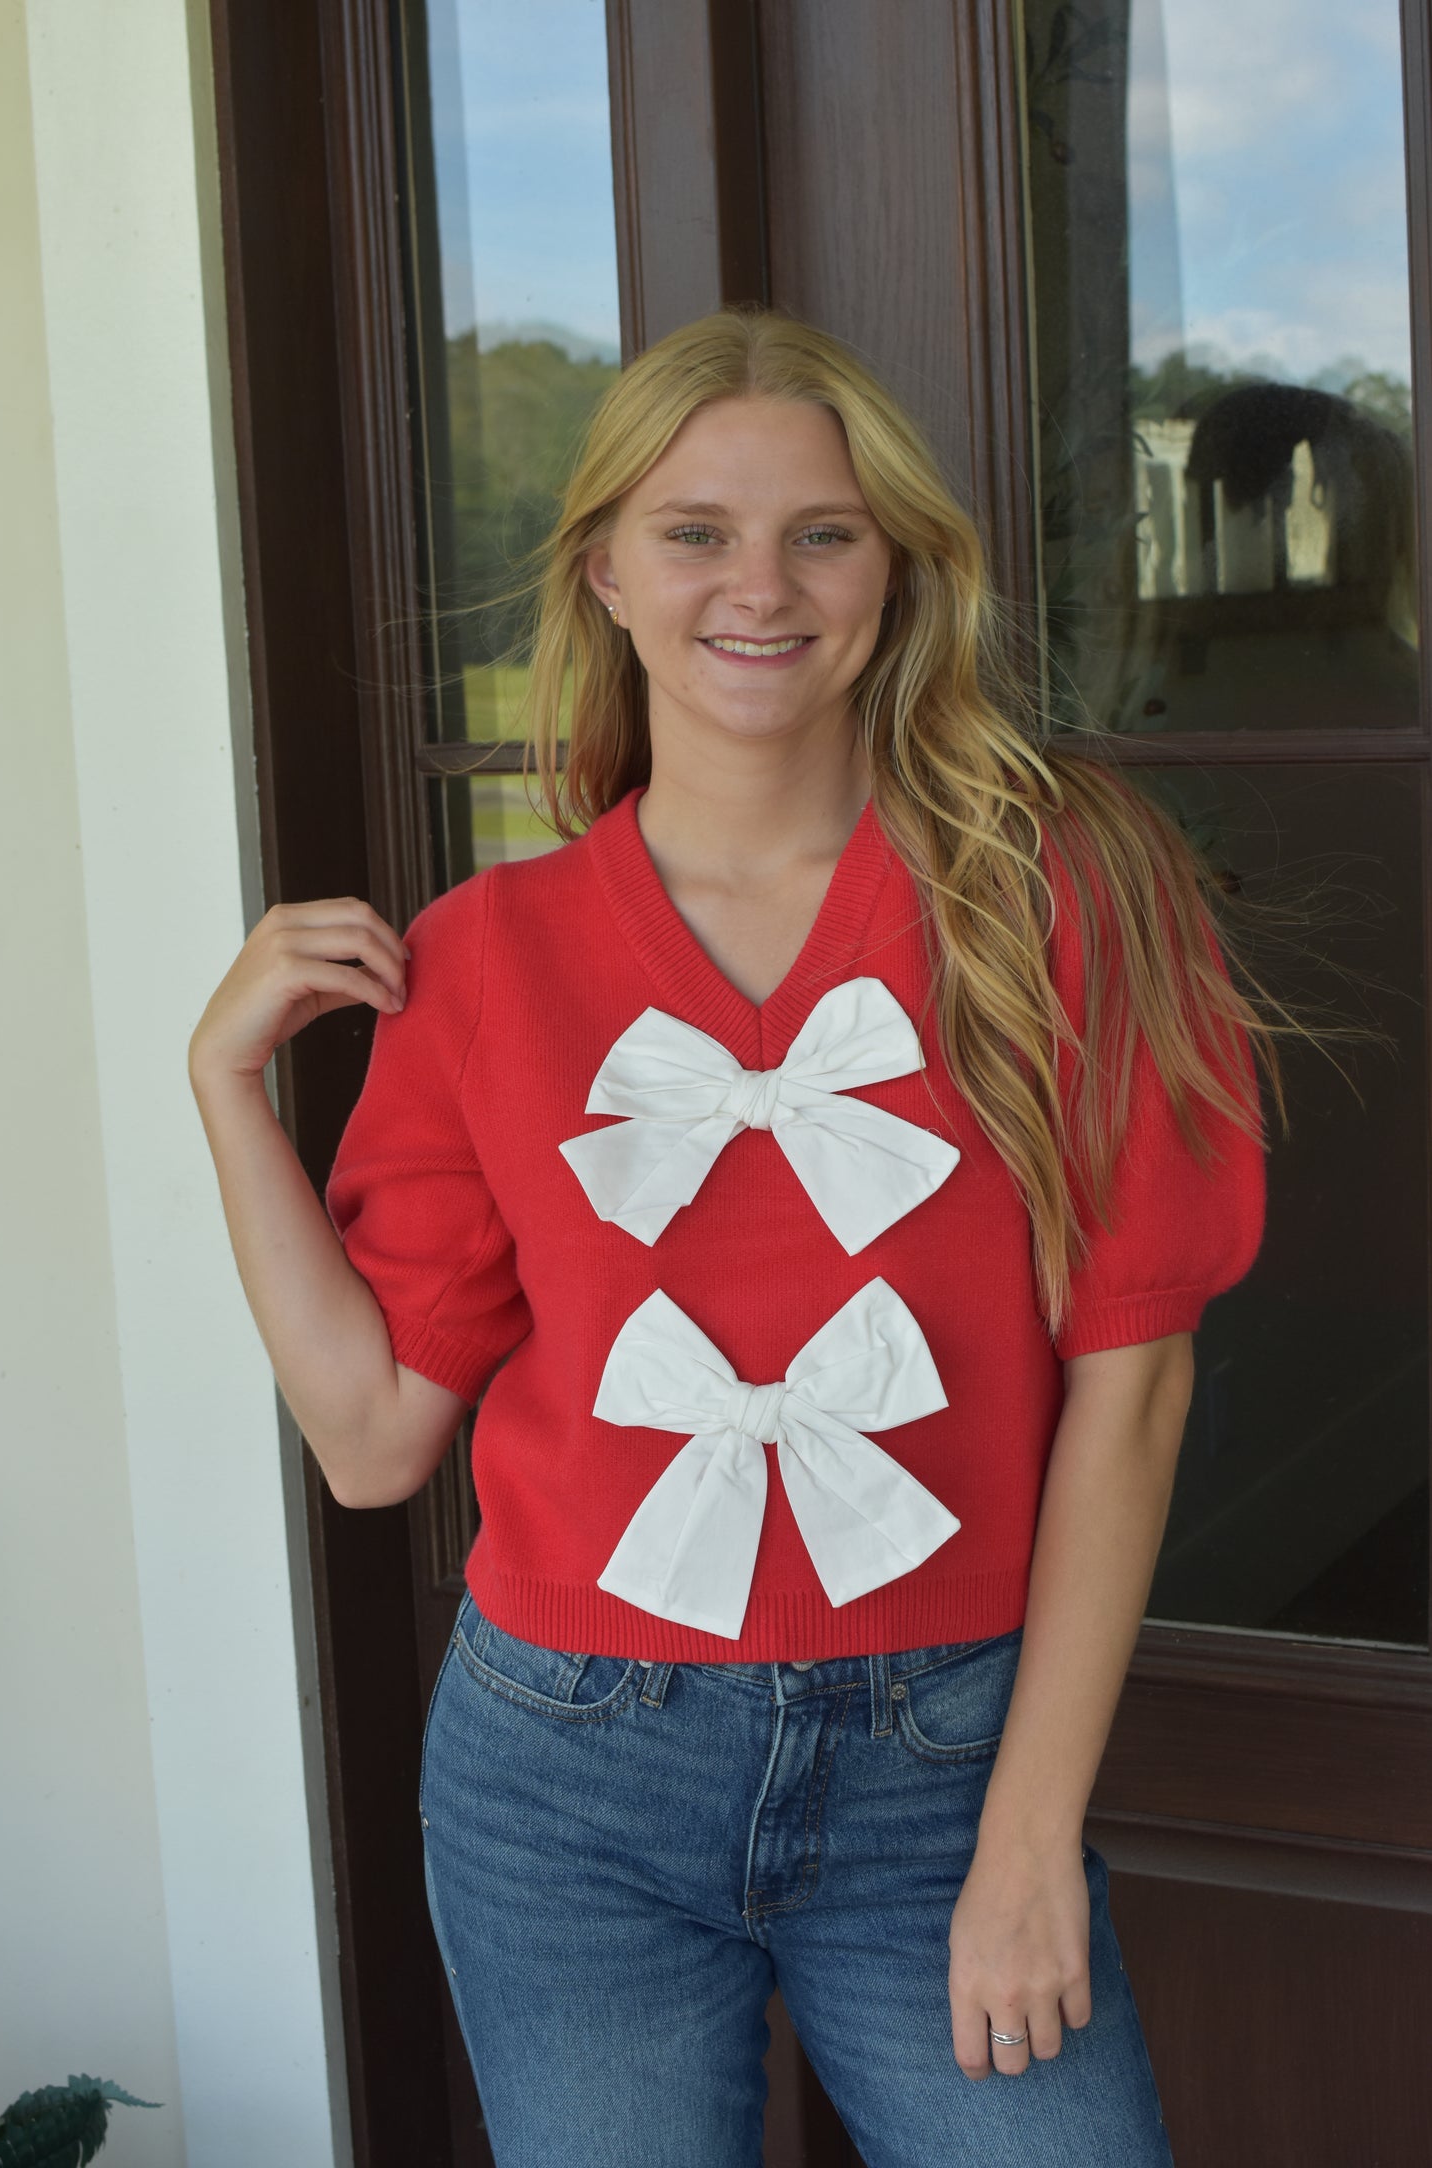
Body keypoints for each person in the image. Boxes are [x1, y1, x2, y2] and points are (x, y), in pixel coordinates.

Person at [189, 308, 1274, 2167]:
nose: (756, 586)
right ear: (604, 567)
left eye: (821, 534)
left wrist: (1026, 1846)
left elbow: (1138, 1386)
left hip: (947, 1769)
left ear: (896, 570)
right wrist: (223, 1089)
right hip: (564, 1784)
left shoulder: (1065, 893)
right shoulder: (479, 957)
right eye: (694, 531)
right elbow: (373, 1447)